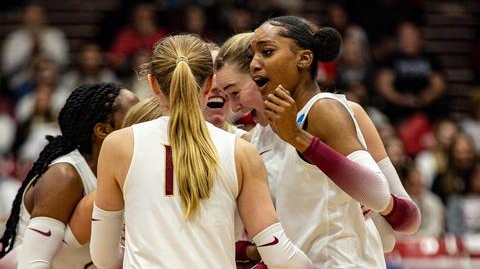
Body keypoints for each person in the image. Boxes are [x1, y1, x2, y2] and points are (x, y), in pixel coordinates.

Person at [90, 34, 312, 268]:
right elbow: (278, 254)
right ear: (209, 83)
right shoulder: (241, 151)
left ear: (153, 84)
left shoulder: (117, 145)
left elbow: (103, 257)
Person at [215, 30, 419, 263]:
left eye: (235, 92)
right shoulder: (251, 142)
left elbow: (406, 222)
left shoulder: (343, 113)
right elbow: (260, 242)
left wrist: (371, 196)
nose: (234, 107)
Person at [0, 83, 139, 268]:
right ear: (102, 130)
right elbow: (33, 263)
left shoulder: (122, 168)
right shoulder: (64, 176)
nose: (143, 125)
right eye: (135, 119)